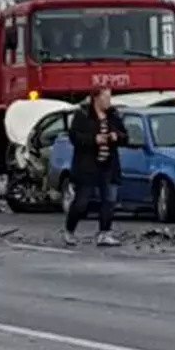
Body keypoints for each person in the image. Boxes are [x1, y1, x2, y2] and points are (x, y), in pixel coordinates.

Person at [64, 86, 128, 247]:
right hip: (88, 167)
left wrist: (116, 136)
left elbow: (126, 136)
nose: (109, 101)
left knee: (109, 200)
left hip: (109, 165)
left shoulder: (113, 115)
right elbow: (74, 137)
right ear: (96, 98)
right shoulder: (83, 115)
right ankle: (69, 230)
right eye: (106, 97)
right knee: (82, 202)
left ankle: (104, 233)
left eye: (110, 97)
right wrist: (94, 139)